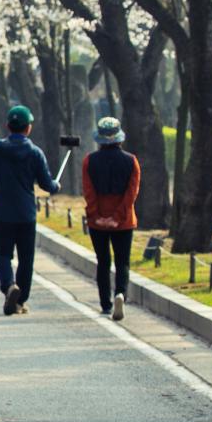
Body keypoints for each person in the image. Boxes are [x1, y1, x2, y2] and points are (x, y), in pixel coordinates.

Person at [0, 105, 60, 315]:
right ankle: (20, 301)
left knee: (2, 255)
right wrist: (56, 186)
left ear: (8, 126)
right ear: (28, 128)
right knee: (26, 259)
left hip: (3, 212)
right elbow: (47, 184)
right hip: (26, 214)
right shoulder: (35, 153)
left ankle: (9, 286)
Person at [82, 117, 140, 320]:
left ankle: (106, 305)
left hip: (97, 222)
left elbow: (89, 193)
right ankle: (120, 294)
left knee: (103, 261)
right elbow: (131, 194)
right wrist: (117, 217)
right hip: (123, 221)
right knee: (122, 262)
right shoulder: (131, 161)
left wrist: (98, 216)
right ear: (119, 138)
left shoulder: (89, 161)